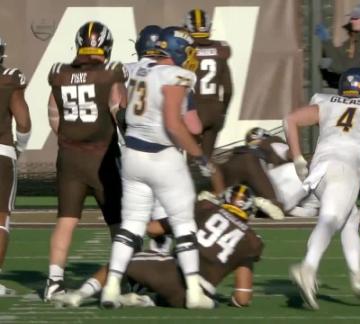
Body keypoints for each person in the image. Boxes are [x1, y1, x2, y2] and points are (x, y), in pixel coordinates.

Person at [99, 26, 214, 310]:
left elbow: (115, 81)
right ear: (177, 51)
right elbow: (178, 125)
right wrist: (199, 155)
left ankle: (112, 286)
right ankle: (193, 291)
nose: (190, 58)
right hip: (162, 156)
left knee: (132, 225)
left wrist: (121, 114)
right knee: (184, 223)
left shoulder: (138, 70)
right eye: (187, 52)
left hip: (133, 157)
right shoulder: (177, 75)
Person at [284, 67, 360, 310]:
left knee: (350, 217)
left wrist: (298, 158)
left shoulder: (326, 101)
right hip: (346, 169)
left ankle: (357, 275)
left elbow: (289, 120)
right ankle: (308, 267)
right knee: (331, 218)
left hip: (320, 167)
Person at [52, 184, 263, 308]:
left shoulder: (206, 207)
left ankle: (79, 295)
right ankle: (144, 299)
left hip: (172, 275)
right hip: (199, 296)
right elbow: (243, 297)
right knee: (195, 294)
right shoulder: (251, 241)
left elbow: (154, 230)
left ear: (224, 198)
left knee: (122, 261)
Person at [44, 21, 127, 301]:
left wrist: (71, 139)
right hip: (102, 157)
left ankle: (54, 281)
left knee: (66, 221)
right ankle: (118, 279)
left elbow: (54, 116)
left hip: (69, 157)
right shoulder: (110, 73)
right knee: (118, 222)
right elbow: (119, 111)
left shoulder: (60, 73)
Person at [0, 36, 31, 296]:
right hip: (1, 153)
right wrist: (19, 147)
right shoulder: (9, 79)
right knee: (0, 220)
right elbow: (23, 122)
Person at [184, 9, 233, 157]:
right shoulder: (220, 49)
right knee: (206, 161)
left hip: (194, 110)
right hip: (214, 110)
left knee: (190, 161)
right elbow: (228, 89)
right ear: (209, 27)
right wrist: (223, 112)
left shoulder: (185, 50)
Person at [315, 3, 360, 92]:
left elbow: (351, 68)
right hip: (356, 91)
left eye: (355, 18)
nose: (352, 21)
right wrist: (327, 41)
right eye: (352, 18)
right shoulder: (356, 38)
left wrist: (331, 64)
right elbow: (340, 55)